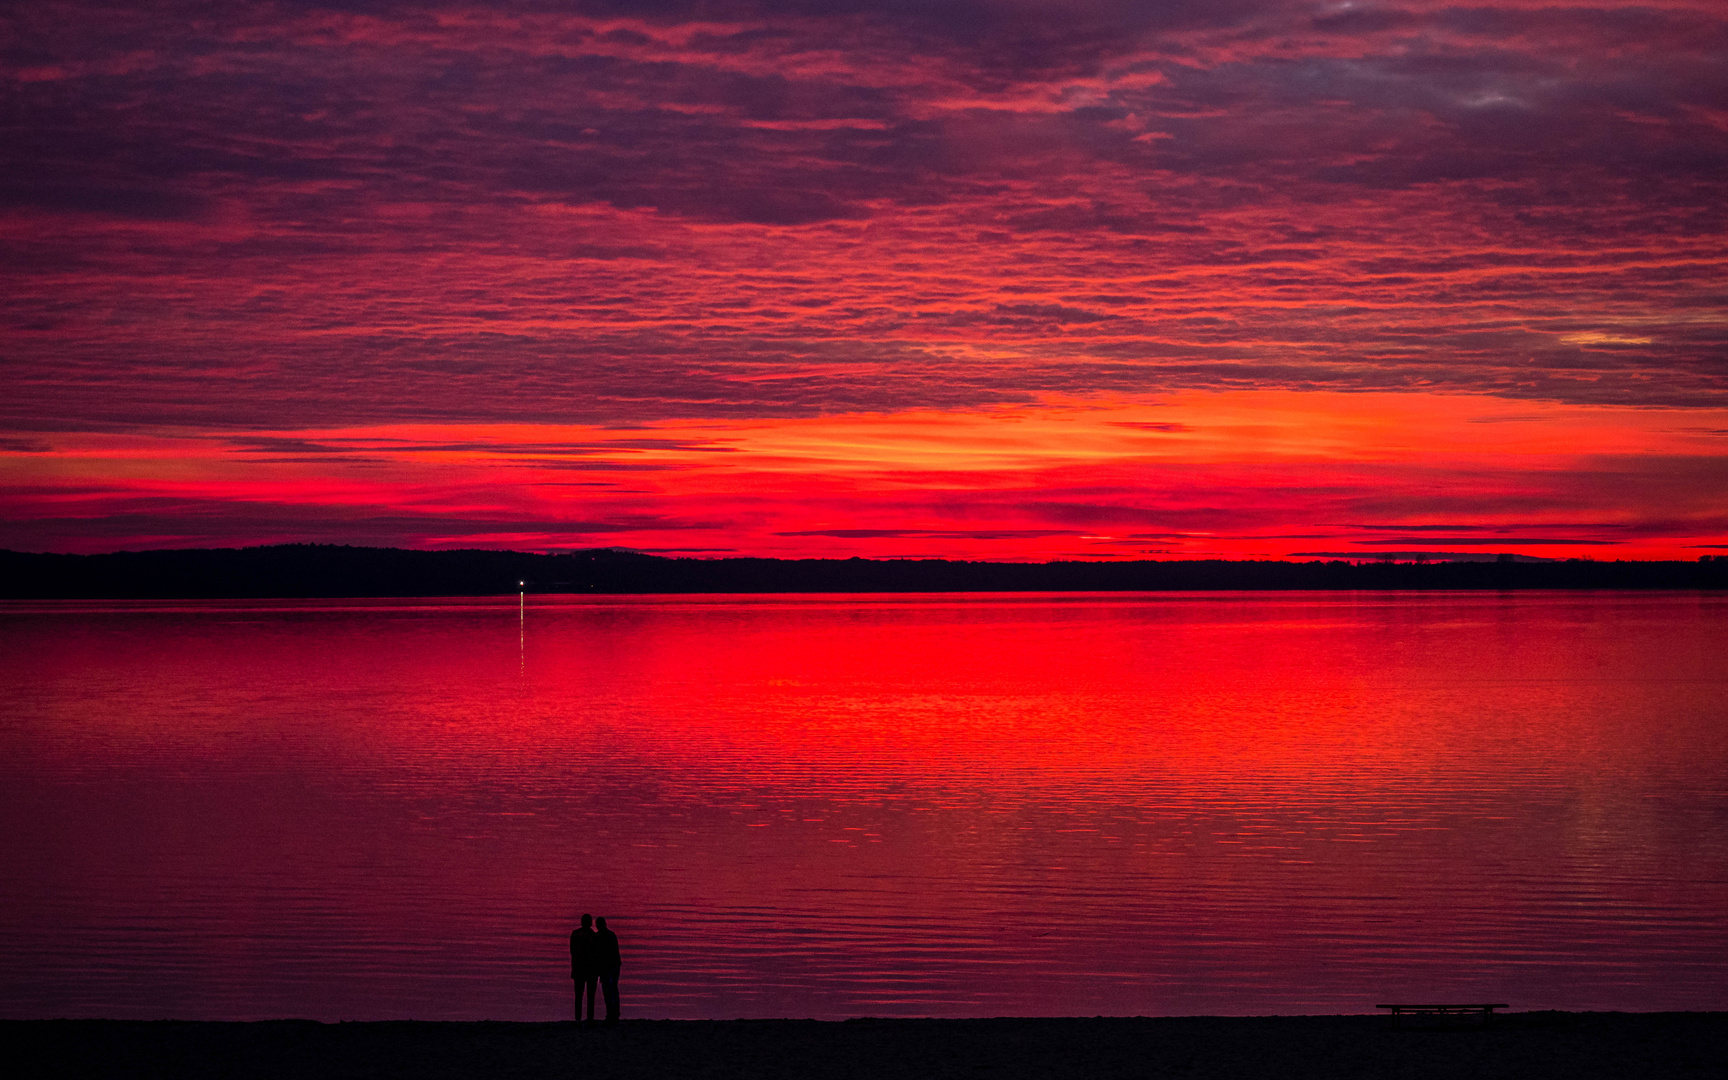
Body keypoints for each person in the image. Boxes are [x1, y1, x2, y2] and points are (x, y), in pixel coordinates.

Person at [569, 914, 599, 1022]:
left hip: (579, 969)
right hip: (591, 970)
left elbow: (572, 951)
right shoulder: (594, 936)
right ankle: (589, 1018)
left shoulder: (575, 934)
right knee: (590, 997)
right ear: (590, 923)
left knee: (579, 996)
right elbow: (597, 954)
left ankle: (578, 1018)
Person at [595, 916, 622, 1022]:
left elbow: (598, 954)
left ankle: (611, 1013)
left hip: (607, 966)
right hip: (615, 965)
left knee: (607, 990)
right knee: (614, 989)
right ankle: (615, 1013)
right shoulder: (612, 935)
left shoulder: (598, 937)